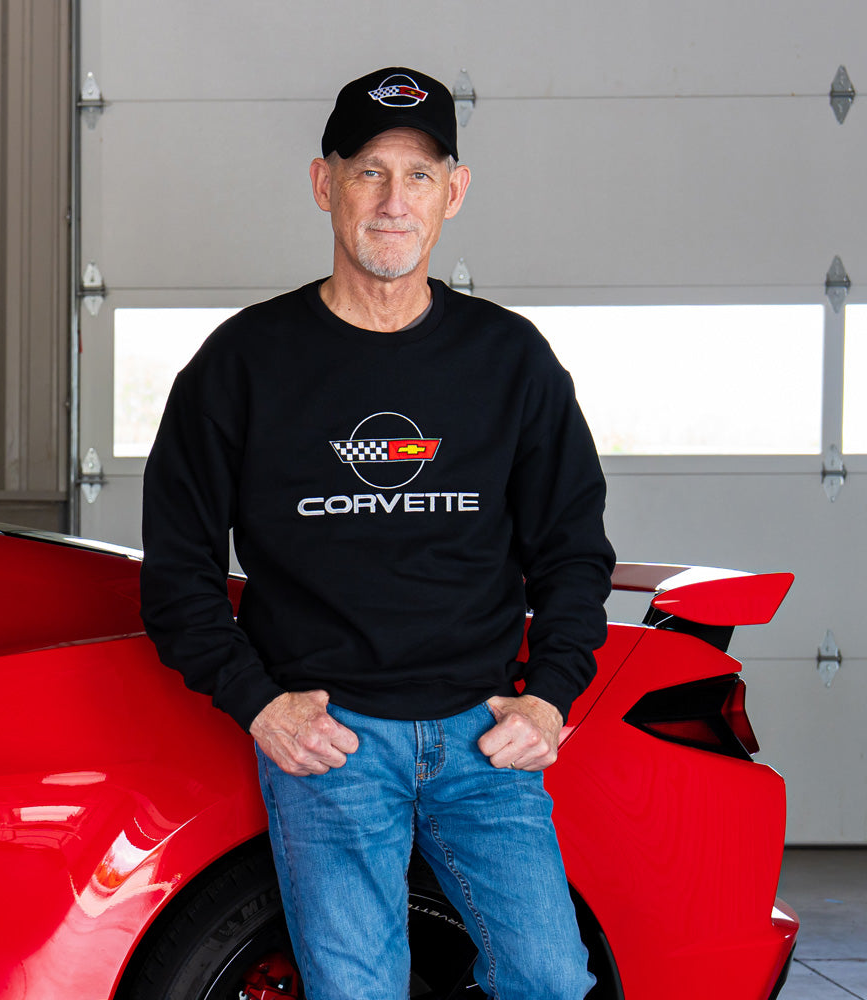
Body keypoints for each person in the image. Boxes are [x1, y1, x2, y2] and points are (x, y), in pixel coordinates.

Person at [140, 66, 615, 1000]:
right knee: (356, 991)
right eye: (368, 172)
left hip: (484, 738)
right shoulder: (244, 363)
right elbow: (178, 574)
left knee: (553, 980)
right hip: (332, 745)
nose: (394, 201)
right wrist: (261, 704)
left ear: (454, 193)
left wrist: (551, 695)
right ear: (324, 183)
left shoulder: (508, 359)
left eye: (420, 175)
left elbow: (573, 549)